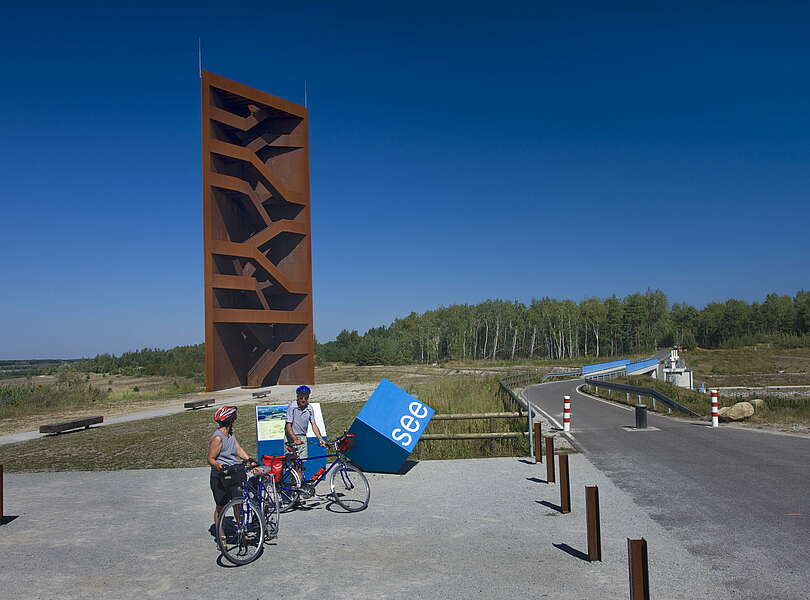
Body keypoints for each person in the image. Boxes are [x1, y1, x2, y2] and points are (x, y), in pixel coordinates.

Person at [207, 405, 256, 526]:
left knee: (238, 504)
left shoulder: (230, 434)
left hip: (233, 474)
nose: (236, 420)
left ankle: (241, 531)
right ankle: (221, 536)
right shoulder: (218, 437)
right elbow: (210, 458)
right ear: (231, 420)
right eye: (235, 417)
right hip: (220, 477)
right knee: (221, 507)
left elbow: (238, 449)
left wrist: (249, 459)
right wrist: (219, 465)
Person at [285, 385, 326, 484]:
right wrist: (294, 439)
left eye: (306, 398)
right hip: (291, 437)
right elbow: (288, 426)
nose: (303, 400)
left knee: (300, 464)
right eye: (301, 397)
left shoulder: (310, 408)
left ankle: (298, 486)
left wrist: (320, 439)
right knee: (293, 465)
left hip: (302, 437)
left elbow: (314, 425)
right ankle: (293, 486)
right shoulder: (292, 407)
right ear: (297, 397)